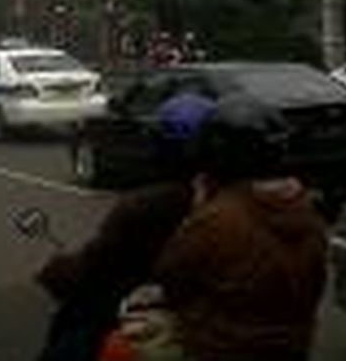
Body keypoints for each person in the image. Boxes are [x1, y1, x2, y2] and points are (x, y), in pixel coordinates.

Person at [34, 91, 217, 361]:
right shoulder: (243, 201)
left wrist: (56, 271)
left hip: (171, 315)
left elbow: (96, 264)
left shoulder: (149, 206)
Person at [153, 94, 328, 361]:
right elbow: (316, 285)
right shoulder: (305, 211)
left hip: (221, 349)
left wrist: (198, 211)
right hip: (294, 346)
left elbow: (171, 279)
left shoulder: (214, 220)